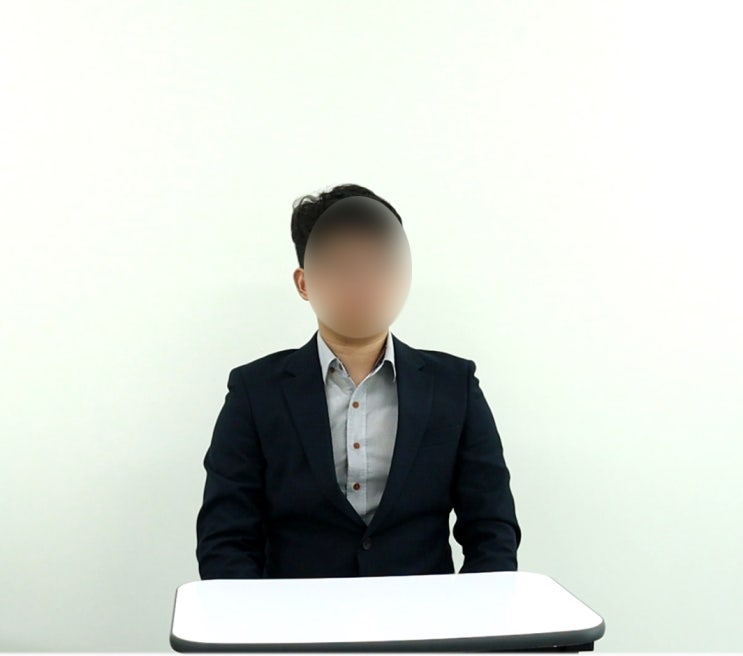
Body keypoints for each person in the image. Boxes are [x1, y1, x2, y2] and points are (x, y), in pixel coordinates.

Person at [196, 183, 521, 579]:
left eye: (381, 264)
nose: (364, 281)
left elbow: (492, 531)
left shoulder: (455, 386)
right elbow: (226, 538)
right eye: (342, 266)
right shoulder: (256, 391)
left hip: (424, 611)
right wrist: (257, 617)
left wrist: (471, 615)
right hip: (296, 612)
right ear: (304, 282)